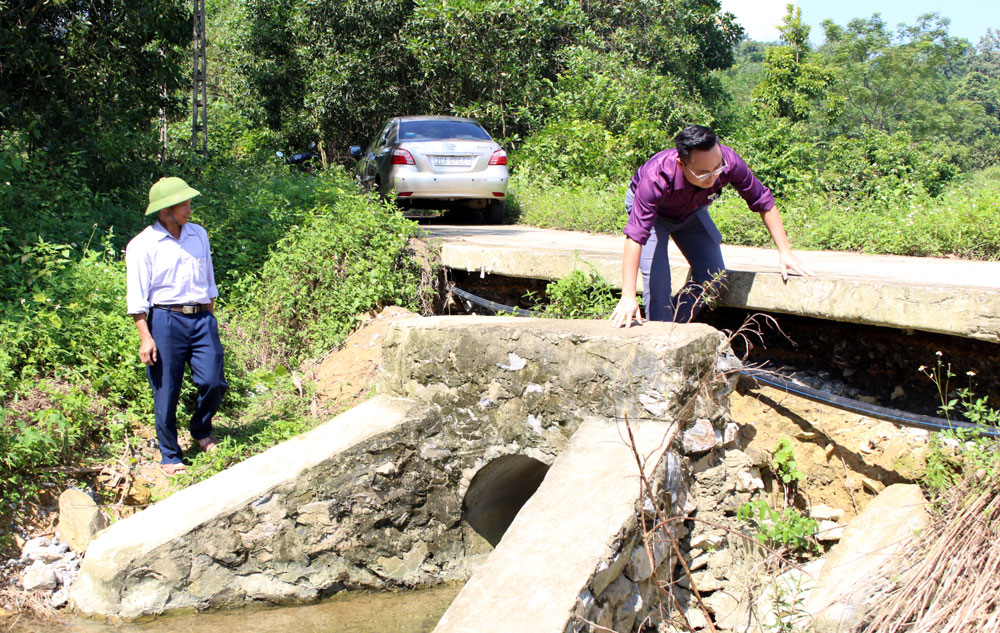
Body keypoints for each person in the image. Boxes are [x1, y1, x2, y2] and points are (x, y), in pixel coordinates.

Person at [609, 125, 814, 328]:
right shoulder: (656, 177)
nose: (713, 177)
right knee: (658, 285)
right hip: (655, 217)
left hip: (692, 213)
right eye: (703, 173)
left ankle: (671, 328)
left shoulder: (729, 162)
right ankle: (658, 339)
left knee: (713, 277)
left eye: (717, 168)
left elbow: (763, 200)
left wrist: (785, 251)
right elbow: (635, 236)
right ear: (681, 164)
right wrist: (628, 295)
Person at [126, 177, 227, 475]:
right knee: (166, 390)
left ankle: (200, 430)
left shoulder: (198, 235)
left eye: (188, 203)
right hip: (165, 320)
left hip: (200, 317)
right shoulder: (143, 245)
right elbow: (137, 296)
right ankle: (170, 455)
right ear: (165, 210)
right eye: (183, 204)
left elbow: (209, 280)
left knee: (213, 380)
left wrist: (210, 318)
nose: (189, 210)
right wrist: (146, 337)